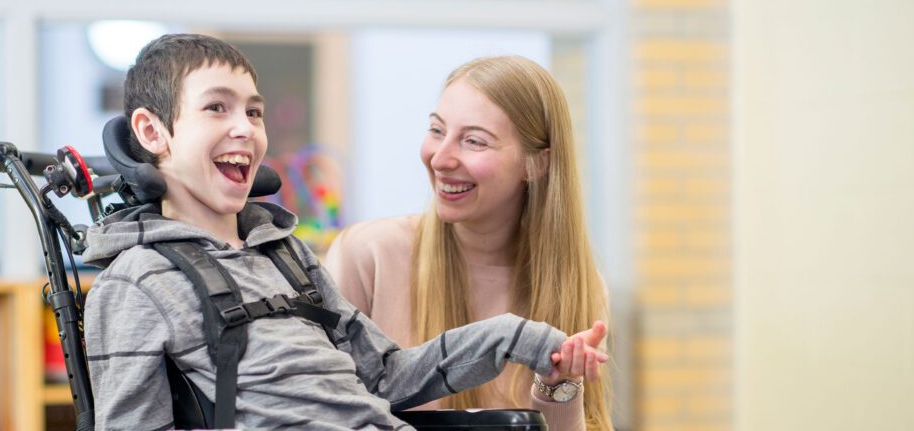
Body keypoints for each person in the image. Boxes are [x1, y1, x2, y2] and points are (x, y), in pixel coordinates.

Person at [81, 34, 607, 430]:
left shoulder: (286, 255)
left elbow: (383, 376)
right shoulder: (136, 283)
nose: (244, 127)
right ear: (152, 132)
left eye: (255, 111)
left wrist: (521, 337)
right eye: (217, 107)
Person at [325, 56, 614, 431]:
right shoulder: (366, 255)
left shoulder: (579, 286)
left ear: (536, 164)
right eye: (436, 130)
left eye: (473, 141)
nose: (441, 158)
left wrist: (558, 389)